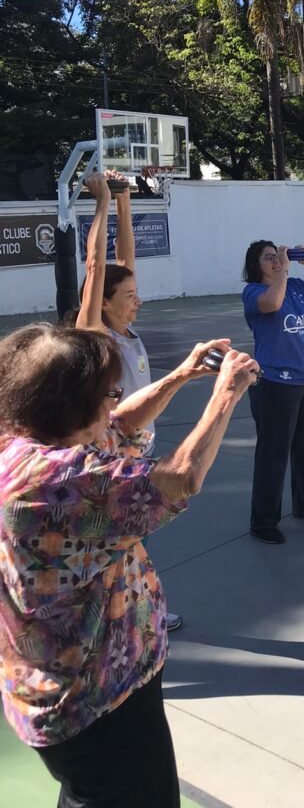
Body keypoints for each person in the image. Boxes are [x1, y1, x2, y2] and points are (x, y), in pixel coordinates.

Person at [0, 323, 259, 808]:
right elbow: (178, 479)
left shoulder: (23, 445)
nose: (113, 403)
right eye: (108, 393)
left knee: (88, 795)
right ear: (74, 406)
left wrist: (181, 375)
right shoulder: (61, 484)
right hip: (99, 701)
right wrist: (227, 392)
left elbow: (117, 428)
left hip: (68, 693)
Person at [76, 170, 183, 630]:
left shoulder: (126, 328)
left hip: (139, 451)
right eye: (129, 296)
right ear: (103, 303)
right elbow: (98, 267)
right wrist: (99, 204)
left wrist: (123, 200)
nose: (138, 301)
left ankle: (128, 612)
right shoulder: (95, 336)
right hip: (109, 458)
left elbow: (123, 261)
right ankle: (121, 617)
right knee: (118, 543)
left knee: (132, 541)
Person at [242, 240, 304, 544]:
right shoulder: (253, 293)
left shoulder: (298, 285)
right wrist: (284, 271)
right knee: (273, 455)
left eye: (278, 256)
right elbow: (272, 304)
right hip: (275, 385)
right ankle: (263, 521)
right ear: (255, 266)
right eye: (269, 258)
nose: (276, 261)